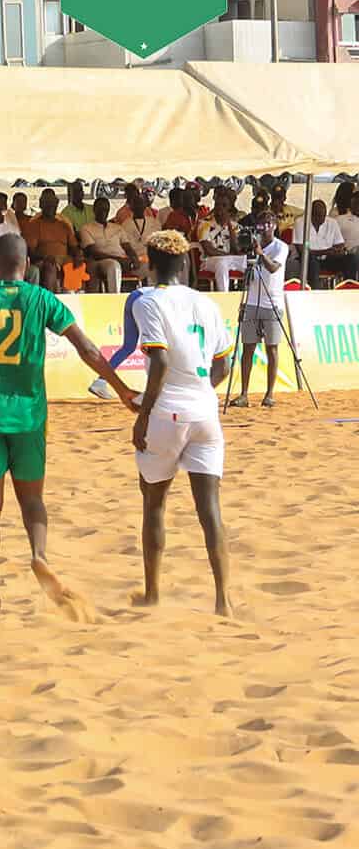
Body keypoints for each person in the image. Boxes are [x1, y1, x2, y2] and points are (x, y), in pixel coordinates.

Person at [0, 233, 133, 613]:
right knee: (33, 500)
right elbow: (87, 349)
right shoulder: (43, 299)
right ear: (26, 265)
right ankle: (39, 552)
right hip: (30, 417)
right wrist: (122, 388)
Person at [129, 230, 237, 617]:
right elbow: (224, 364)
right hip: (205, 412)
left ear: (151, 263)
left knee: (154, 505)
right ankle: (223, 600)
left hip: (166, 412)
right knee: (210, 510)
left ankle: (153, 594)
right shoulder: (205, 302)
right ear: (185, 265)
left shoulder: (147, 301)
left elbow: (158, 363)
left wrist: (142, 416)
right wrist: (200, 391)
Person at [233, 211, 288, 408]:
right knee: (248, 348)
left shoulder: (281, 247)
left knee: (271, 348)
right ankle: (244, 394)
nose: (263, 227)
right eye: (260, 223)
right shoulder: (251, 246)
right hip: (252, 302)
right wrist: (250, 254)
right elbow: (245, 275)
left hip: (271, 303)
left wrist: (260, 253)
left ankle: (269, 394)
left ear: (274, 225)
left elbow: (273, 268)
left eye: (267, 223)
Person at [86, 284, 152, 402]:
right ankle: (152, 391)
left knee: (128, 347)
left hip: (135, 295)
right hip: (145, 299)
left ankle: (101, 381)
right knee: (154, 347)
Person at [21, 189, 78, 292]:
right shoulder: (34, 225)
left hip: (64, 259)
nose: (50, 207)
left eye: (52, 204)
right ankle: (50, 302)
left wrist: (78, 255)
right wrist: (45, 257)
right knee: (50, 266)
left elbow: (74, 246)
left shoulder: (64, 225)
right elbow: (31, 251)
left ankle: (70, 300)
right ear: (41, 205)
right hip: (43, 260)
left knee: (73, 265)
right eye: (47, 204)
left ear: (57, 204)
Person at [78, 197, 133, 293]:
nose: (103, 212)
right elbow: (94, 253)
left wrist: (134, 258)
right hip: (102, 262)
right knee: (114, 266)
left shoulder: (117, 227)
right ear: (94, 210)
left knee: (149, 267)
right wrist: (118, 259)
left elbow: (127, 247)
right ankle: (114, 299)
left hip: (123, 260)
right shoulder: (86, 228)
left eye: (106, 209)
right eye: (100, 209)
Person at [195, 197, 247, 292]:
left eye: (224, 206)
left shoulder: (235, 226)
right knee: (222, 263)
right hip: (209, 260)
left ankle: (250, 294)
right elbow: (209, 250)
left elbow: (237, 249)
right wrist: (228, 256)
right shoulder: (204, 224)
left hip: (230, 259)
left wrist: (229, 226)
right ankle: (224, 295)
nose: (220, 208)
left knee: (250, 262)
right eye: (217, 205)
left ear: (229, 210)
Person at [302, 199, 356, 284]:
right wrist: (326, 251)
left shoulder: (332, 222)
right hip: (309, 260)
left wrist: (338, 250)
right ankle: (316, 291)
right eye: (318, 215)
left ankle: (349, 286)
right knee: (311, 259)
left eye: (324, 215)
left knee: (350, 258)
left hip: (328, 259)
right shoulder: (301, 222)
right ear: (311, 214)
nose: (322, 218)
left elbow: (340, 243)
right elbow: (304, 249)